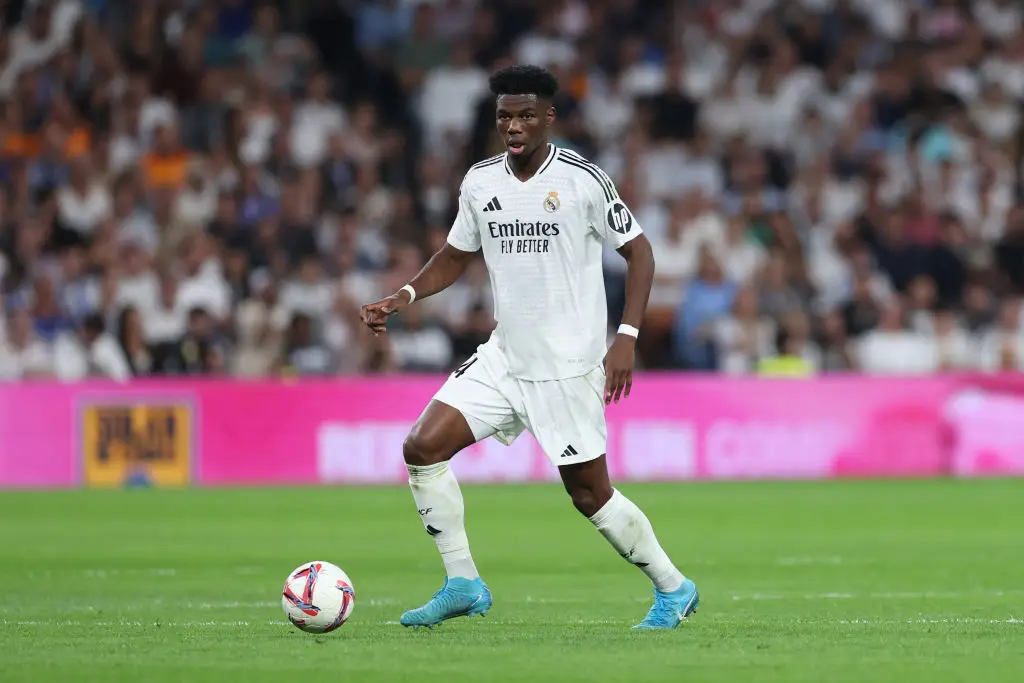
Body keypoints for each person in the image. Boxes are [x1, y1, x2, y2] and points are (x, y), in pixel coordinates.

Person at [360, 65, 698, 630]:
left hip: (566, 368)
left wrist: (627, 338)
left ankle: (674, 587)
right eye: (503, 117)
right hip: (505, 357)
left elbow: (640, 253)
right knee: (421, 447)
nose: (512, 126)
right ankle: (463, 581)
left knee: (590, 496)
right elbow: (455, 253)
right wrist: (404, 295)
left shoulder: (582, 179)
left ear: (548, 118)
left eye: (523, 116)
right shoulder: (480, 180)